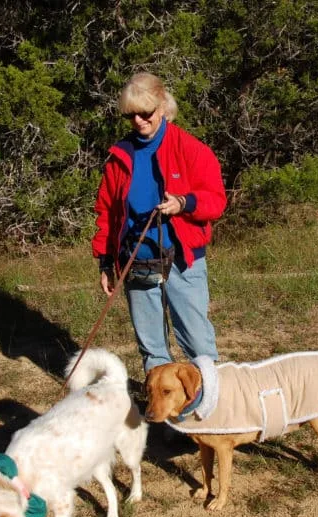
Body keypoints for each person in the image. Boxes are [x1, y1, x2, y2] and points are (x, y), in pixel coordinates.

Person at [92, 72, 227, 373]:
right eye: (131, 115)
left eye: (146, 113)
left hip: (182, 262)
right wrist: (105, 261)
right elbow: (107, 212)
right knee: (152, 350)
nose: (139, 121)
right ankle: (162, 414)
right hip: (135, 262)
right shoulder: (119, 156)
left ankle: (210, 408)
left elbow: (216, 201)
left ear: (163, 107)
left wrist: (184, 203)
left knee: (198, 345)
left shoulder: (192, 149)